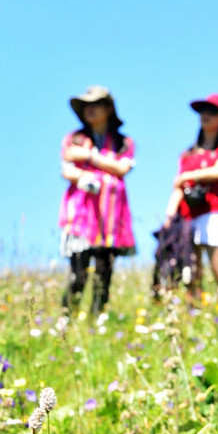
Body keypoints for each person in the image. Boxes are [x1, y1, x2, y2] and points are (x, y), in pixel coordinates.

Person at [59, 85, 136, 314]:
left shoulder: (124, 143)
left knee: (104, 272)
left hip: (112, 218)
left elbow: (122, 168)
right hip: (82, 216)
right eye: (86, 106)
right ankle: (67, 317)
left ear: (108, 108)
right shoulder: (75, 138)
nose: (90, 110)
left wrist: (90, 157)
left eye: (95, 105)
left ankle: (97, 318)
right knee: (79, 272)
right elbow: (67, 169)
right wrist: (86, 175)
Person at [163, 94, 218, 304]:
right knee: (191, 271)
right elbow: (178, 188)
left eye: (213, 112)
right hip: (188, 216)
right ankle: (193, 315)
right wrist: (169, 217)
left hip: (215, 212)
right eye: (203, 111)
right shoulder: (188, 154)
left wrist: (188, 176)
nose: (206, 116)